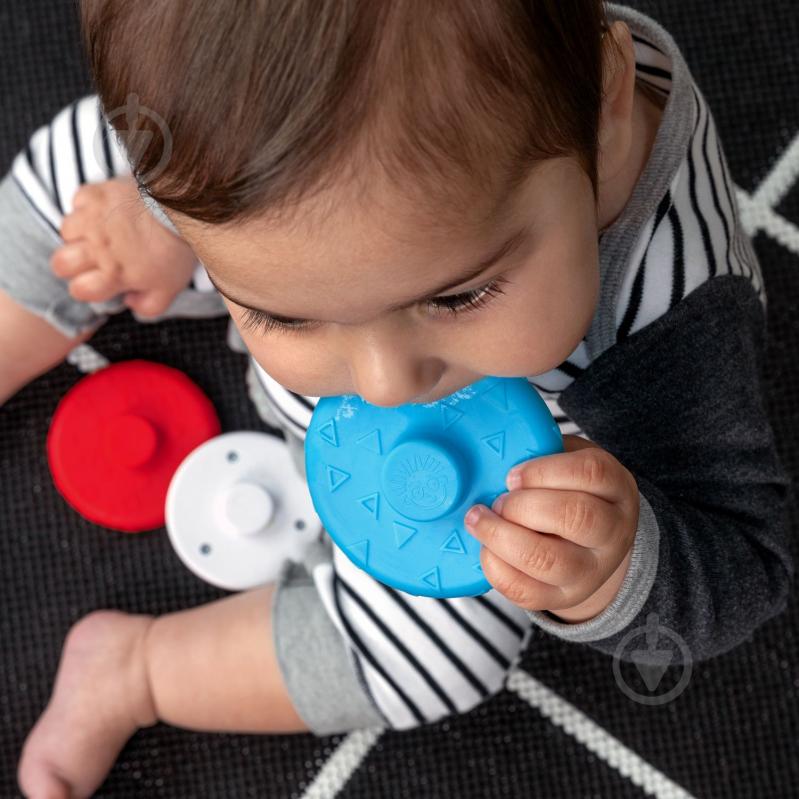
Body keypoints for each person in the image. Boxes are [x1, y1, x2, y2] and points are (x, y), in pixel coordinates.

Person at [2, 2, 791, 796]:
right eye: (286, 313)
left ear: (601, 110)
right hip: (247, 231)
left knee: (441, 656)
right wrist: (160, 220)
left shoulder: (672, 319)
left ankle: (136, 669)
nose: (381, 383)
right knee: (77, 173)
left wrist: (614, 567)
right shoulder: (224, 134)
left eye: (457, 296)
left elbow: (745, 562)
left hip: (462, 497)